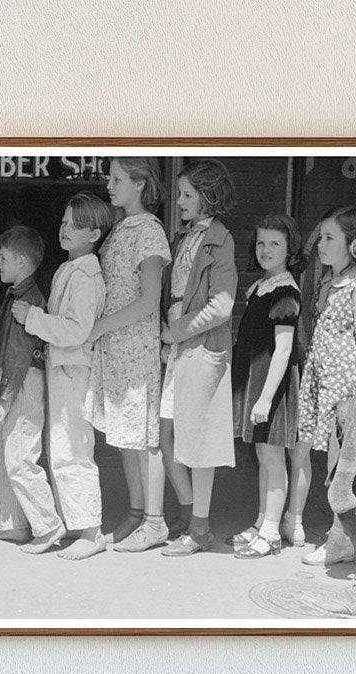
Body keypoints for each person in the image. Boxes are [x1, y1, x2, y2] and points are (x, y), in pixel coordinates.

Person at [12, 193, 112, 560]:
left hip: (73, 369)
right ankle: (79, 523)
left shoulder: (86, 275)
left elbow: (75, 330)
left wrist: (33, 318)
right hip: (63, 367)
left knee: (73, 449)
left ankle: (92, 531)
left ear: (95, 234)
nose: (65, 229)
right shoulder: (71, 268)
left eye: (76, 225)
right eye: (65, 222)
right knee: (63, 448)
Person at [85, 157, 172, 552]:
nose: (109, 185)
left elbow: (149, 300)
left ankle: (155, 521)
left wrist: (102, 325)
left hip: (135, 348)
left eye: (117, 178)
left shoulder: (150, 232)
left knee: (145, 437)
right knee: (125, 436)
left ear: (140, 183)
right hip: (116, 349)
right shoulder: (120, 229)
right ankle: (136, 514)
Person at [292, 207, 356, 567]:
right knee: (328, 462)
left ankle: (339, 542)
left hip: (344, 388)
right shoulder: (329, 282)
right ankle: (337, 539)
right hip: (322, 381)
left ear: (353, 245)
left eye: (330, 238)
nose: (321, 245)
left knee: (340, 468)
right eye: (321, 237)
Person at [159, 160, 238, 556]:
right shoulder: (186, 237)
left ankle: (199, 527)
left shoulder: (220, 240)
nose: (180, 201)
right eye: (180, 193)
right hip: (180, 347)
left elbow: (221, 305)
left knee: (200, 439)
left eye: (188, 194)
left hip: (201, 346)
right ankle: (191, 514)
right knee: (166, 431)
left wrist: (175, 329)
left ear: (209, 197)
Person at [0, 225, 65, 555]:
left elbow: (20, 353)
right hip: (9, 377)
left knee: (19, 457)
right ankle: (13, 523)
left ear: (20, 261)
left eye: (3, 259)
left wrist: (5, 398)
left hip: (22, 382)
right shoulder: (16, 295)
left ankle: (48, 525)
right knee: (2, 457)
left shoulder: (28, 301)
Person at [230, 214, 304, 559]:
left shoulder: (286, 291)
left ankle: (273, 532)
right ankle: (262, 521)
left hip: (270, 387)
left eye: (275, 244)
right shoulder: (261, 286)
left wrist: (264, 398)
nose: (266, 250)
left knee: (273, 457)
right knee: (262, 454)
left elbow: (284, 348)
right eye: (261, 242)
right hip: (255, 380)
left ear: (290, 249)